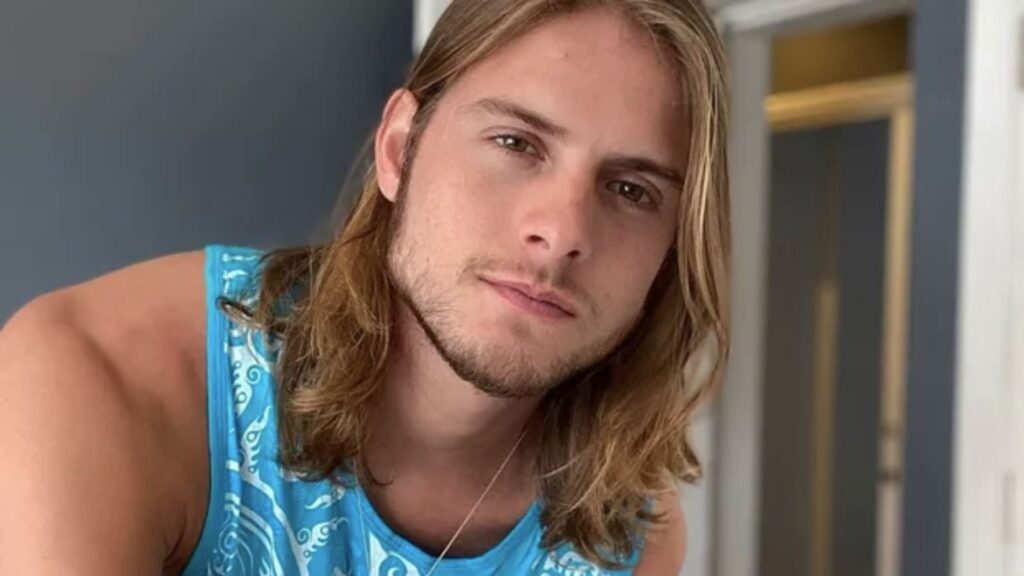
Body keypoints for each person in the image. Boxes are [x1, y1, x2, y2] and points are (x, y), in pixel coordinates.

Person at [0, 0, 730, 574]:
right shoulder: (99, 382)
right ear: (399, 149)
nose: (563, 230)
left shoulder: (622, 531)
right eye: (516, 143)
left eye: (631, 190)